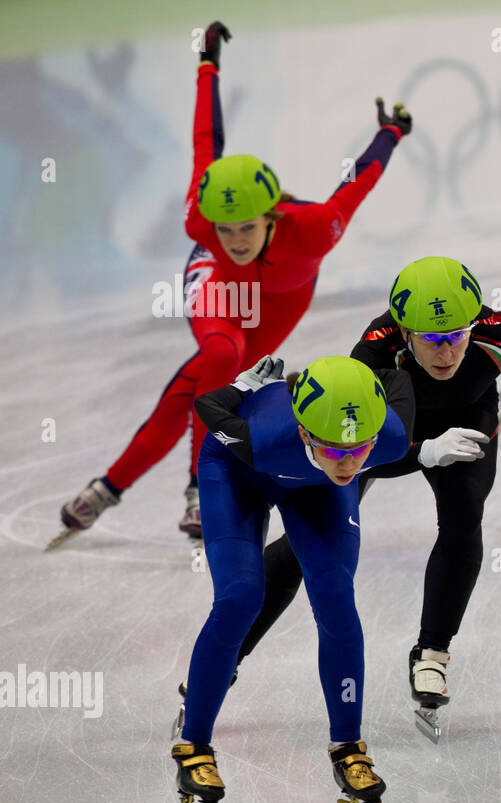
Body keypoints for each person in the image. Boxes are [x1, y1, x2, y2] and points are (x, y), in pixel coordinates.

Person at [54, 20, 411, 547]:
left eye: (247, 228)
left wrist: (391, 132)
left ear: (273, 216)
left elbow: (359, 178)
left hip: (283, 298)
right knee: (223, 351)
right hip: (218, 282)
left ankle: (107, 487)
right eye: (227, 229)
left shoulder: (315, 229)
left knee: (200, 386)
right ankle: (199, 487)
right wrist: (207, 63)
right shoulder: (201, 222)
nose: (237, 239)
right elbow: (207, 142)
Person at [195, 256, 501, 741]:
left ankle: (432, 652)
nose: (446, 352)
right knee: (307, 547)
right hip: (380, 430)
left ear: (473, 326)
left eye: (456, 336)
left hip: (468, 417)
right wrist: (425, 451)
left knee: (464, 517)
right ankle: (231, 653)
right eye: (430, 339)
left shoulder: (499, 334)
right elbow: (357, 457)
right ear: (404, 334)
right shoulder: (373, 354)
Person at [165, 354, 415, 803]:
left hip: (313, 486)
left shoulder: (387, 436)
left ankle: (348, 748)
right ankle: (193, 746)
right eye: (337, 450)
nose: (351, 463)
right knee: (240, 596)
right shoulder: (260, 439)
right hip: (238, 473)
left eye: (361, 449)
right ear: (304, 433)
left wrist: (357, 380)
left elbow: (398, 376)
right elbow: (206, 406)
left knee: (336, 596)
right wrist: (242, 388)